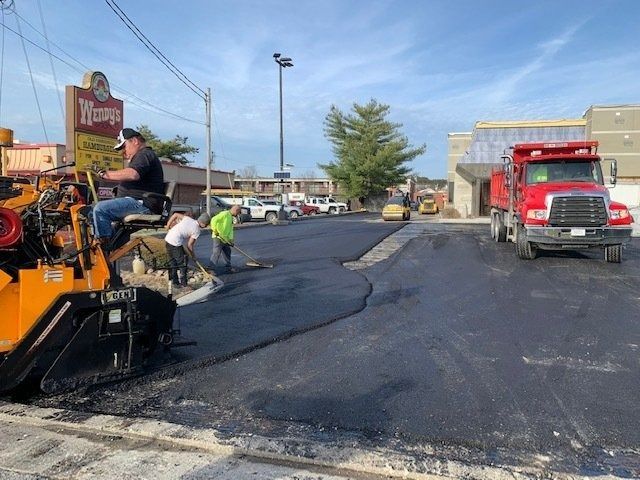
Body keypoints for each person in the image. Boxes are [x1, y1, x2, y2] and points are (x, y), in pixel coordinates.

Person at [90, 128, 165, 245]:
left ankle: (101, 246)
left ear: (135, 140)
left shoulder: (145, 154)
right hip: (136, 202)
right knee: (88, 212)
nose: (123, 153)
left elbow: (133, 174)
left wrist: (105, 174)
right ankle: (103, 251)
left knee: (100, 209)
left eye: (124, 147)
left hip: (141, 204)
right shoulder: (142, 156)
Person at [164, 210, 210, 288]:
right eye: (206, 225)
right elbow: (189, 245)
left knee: (173, 262)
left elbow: (175, 215)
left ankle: (174, 282)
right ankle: (184, 284)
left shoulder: (188, 219)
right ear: (203, 223)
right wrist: (193, 256)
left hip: (168, 239)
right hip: (175, 242)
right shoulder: (197, 231)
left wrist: (168, 226)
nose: (205, 226)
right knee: (183, 263)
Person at [209, 205, 241, 274]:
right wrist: (215, 230)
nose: (237, 215)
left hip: (225, 239)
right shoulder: (225, 214)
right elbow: (213, 220)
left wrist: (231, 240)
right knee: (216, 253)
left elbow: (230, 230)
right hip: (218, 237)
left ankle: (228, 268)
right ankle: (211, 269)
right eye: (238, 213)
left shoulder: (231, 218)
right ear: (236, 210)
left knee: (227, 252)